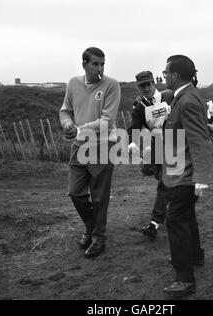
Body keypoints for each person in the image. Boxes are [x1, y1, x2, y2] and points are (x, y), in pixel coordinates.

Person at [59, 47, 121, 258]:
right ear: (84, 64)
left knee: (99, 195)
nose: (100, 68)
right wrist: (67, 123)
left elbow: (107, 121)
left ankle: (98, 237)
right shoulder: (73, 83)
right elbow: (65, 110)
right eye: (95, 63)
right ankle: (92, 226)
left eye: (102, 64)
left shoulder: (111, 85)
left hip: (103, 146)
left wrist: (79, 129)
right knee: (75, 192)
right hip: (79, 145)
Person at [161, 55, 212, 297]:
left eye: (166, 70)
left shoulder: (187, 100)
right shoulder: (185, 96)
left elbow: (199, 141)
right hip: (180, 170)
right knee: (187, 217)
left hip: (185, 174)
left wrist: (200, 177)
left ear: (176, 75)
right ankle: (195, 256)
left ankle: (184, 279)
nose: (163, 73)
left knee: (175, 221)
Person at [127, 70, 173, 239]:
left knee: (164, 181)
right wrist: (132, 141)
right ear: (139, 88)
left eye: (148, 84)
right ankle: (174, 201)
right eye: (142, 86)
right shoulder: (140, 107)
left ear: (154, 83)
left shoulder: (169, 96)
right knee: (156, 174)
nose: (146, 88)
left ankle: (155, 222)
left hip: (177, 141)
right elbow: (135, 126)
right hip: (158, 143)